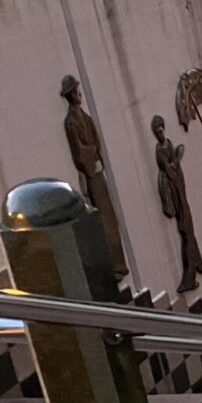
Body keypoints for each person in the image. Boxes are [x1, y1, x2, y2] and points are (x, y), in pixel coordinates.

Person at [60, 75, 129, 279]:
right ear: (70, 95)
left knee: (109, 216)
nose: (78, 94)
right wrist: (92, 159)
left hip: (97, 171)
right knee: (100, 217)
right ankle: (112, 265)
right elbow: (79, 151)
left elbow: (96, 142)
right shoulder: (71, 121)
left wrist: (96, 155)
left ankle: (119, 263)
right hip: (91, 175)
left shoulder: (85, 117)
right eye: (74, 91)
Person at [153, 115, 202, 293]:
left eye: (161, 130)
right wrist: (176, 161)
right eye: (157, 132)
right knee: (186, 231)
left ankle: (198, 262)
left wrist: (176, 158)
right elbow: (169, 171)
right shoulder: (160, 150)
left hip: (181, 193)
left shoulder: (168, 144)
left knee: (189, 229)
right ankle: (189, 276)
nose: (160, 134)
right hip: (176, 195)